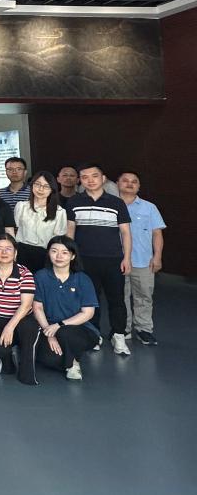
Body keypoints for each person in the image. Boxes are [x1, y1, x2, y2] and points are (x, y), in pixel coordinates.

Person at [66, 163, 132, 356]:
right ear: (80, 181)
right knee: (89, 301)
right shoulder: (74, 202)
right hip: (84, 261)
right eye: (85, 177)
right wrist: (70, 259)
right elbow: (70, 231)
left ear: (103, 179)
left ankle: (118, 335)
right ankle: (94, 336)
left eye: (94, 176)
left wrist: (127, 258)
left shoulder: (117, 202)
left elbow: (126, 233)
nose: (90, 180)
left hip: (113, 260)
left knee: (117, 300)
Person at [30, 236, 101, 382]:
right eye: (54, 251)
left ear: (73, 256)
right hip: (48, 327)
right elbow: (37, 308)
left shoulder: (82, 278)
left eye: (65, 252)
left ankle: (72, 364)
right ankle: (70, 358)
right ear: (48, 253)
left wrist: (59, 325)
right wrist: (49, 333)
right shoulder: (41, 276)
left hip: (79, 329)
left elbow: (88, 313)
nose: (59, 256)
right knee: (49, 359)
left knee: (65, 332)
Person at [0, 234, 37, 383]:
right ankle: (8, 358)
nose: (4, 252)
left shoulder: (24, 273)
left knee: (28, 329)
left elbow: (26, 305)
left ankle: (26, 371)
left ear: (15, 252)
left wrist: (10, 327)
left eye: (8, 249)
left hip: (22, 318)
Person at [117, 170, 166, 345]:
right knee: (120, 297)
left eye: (134, 181)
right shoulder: (111, 205)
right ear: (117, 184)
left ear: (139, 186)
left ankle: (144, 329)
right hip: (117, 261)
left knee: (144, 297)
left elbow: (157, 233)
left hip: (143, 261)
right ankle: (123, 329)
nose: (130, 184)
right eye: (125, 180)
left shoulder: (149, 207)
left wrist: (157, 256)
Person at [14, 171, 68, 272]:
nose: (41, 189)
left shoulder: (59, 212)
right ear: (32, 186)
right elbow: (14, 230)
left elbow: (58, 238)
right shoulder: (21, 206)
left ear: (52, 189)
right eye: (37, 184)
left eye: (46, 186)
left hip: (45, 254)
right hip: (22, 252)